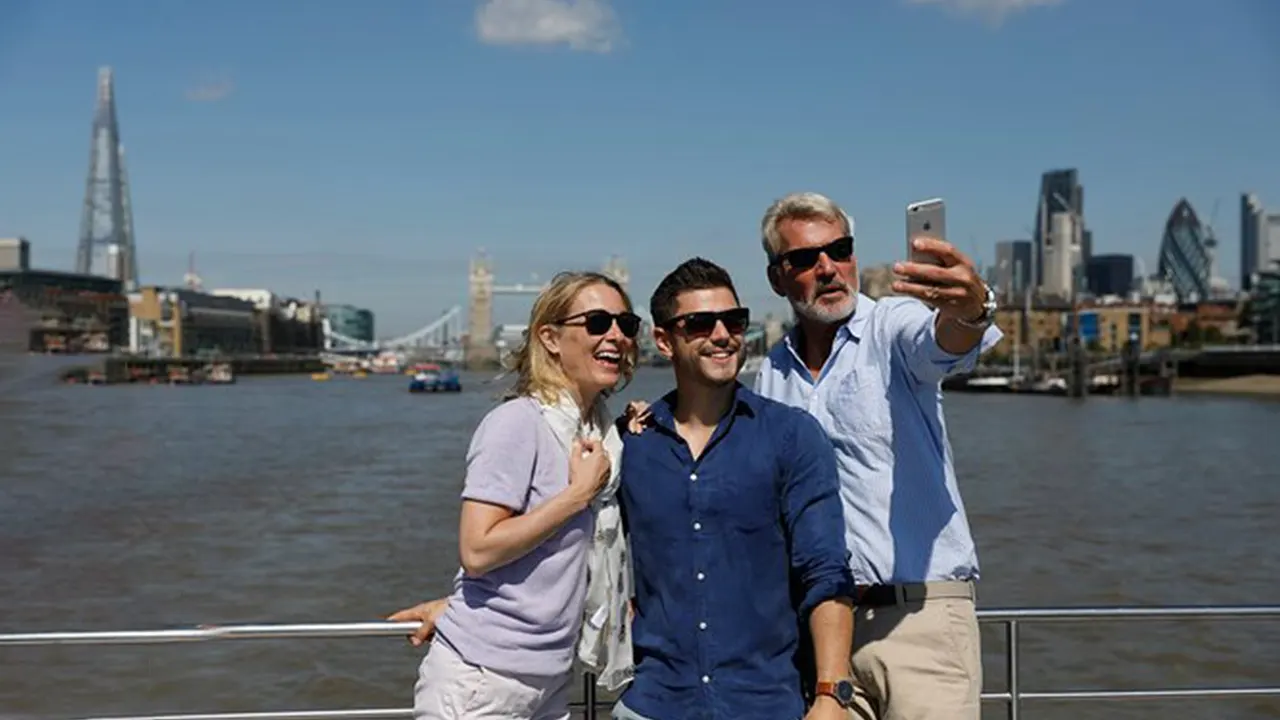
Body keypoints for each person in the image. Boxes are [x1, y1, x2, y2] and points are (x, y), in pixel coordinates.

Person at [752, 191, 1002, 719]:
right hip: (819, 638)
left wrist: (972, 307)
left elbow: (945, 340)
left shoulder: (892, 327)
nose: (828, 268)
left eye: (840, 249)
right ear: (776, 278)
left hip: (919, 626)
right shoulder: (771, 373)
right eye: (804, 259)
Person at [388, 270, 641, 720]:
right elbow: (478, 550)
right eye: (598, 322)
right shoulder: (517, 423)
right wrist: (578, 494)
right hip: (483, 679)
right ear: (551, 338)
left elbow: (558, 566)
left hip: (551, 679)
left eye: (627, 324)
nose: (617, 336)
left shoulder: (600, 435)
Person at [612, 258, 856, 720]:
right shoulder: (630, 445)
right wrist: (469, 606)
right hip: (654, 705)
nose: (722, 334)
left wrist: (830, 694)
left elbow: (825, 571)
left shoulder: (792, 436)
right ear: (664, 340)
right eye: (700, 323)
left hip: (766, 703)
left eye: (734, 320)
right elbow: (572, 550)